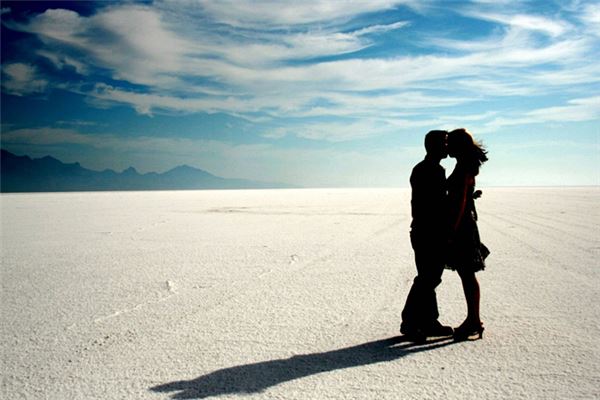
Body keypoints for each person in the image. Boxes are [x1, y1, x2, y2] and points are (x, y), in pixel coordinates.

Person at [400, 130, 454, 341]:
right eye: (445, 143)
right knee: (427, 278)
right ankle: (410, 322)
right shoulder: (427, 170)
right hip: (427, 232)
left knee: (430, 277)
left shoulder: (432, 169)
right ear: (434, 146)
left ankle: (429, 321)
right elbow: (432, 203)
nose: (447, 147)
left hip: (428, 231)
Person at [446, 128, 490, 341]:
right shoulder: (464, 164)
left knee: (467, 273)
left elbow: (460, 201)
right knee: (466, 273)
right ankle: (473, 319)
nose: (446, 147)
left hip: (462, 226)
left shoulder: (463, 166)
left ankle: (474, 320)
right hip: (465, 224)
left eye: (449, 143)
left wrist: (451, 231)